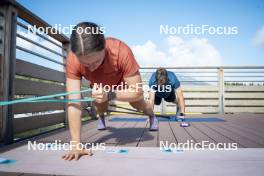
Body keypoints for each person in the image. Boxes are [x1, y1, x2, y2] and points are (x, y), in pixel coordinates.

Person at [62, 22, 158, 161]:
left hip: (122, 83)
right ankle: (101, 115)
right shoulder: (73, 58)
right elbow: (74, 103)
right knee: (100, 103)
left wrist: (110, 93)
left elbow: (137, 91)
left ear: (104, 47)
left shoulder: (121, 50)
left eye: (96, 62)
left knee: (138, 105)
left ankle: (151, 114)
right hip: (99, 84)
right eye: (86, 64)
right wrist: (76, 144)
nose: (92, 68)